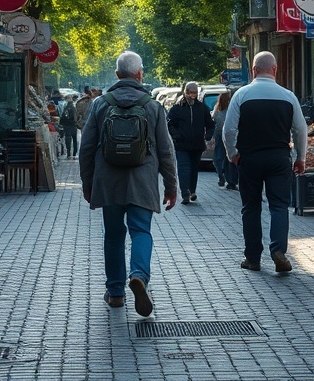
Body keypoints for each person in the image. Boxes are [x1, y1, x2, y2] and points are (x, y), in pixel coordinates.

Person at [79, 51, 177, 316]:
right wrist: (171, 186)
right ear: (140, 74)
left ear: (117, 74)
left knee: (113, 236)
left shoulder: (100, 104)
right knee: (141, 231)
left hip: (108, 181)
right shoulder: (152, 106)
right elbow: (166, 150)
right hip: (142, 181)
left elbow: (86, 148)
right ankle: (139, 276)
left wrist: (88, 183)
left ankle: (115, 293)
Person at [223, 51, 307, 274]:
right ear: (275, 69)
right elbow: (300, 130)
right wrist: (300, 157)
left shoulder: (241, 95)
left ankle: (252, 258)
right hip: (279, 158)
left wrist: (233, 154)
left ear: (253, 70)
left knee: (251, 208)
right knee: (279, 206)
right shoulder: (288, 96)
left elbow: (228, 130)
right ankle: (278, 250)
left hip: (250, 158)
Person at [166, 81, 214, 205]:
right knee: (184, 168)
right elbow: (170, 124)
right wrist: (176, 135)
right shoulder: (177, 108)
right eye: (191, 92)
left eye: (195, 93)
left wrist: (207, 136)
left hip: (197, 144)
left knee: (193, 168)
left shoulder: (202, 108)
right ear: (186, 92)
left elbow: (210, 124)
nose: (193, 95)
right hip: (182, 144)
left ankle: (192, 191)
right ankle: (185, 193)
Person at [211, 90, 237, 190]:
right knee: (229, 158)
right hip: (230, 136)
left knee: (218, 158)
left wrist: (213, 138)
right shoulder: (231, 111)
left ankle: (221, 175)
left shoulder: (217, 111)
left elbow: (215, 125)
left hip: (219, 137)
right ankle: (231, 180)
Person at [59, 94, 79, 159]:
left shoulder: (65, 106)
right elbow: (77, 116)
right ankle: (74, 153)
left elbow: (62, 116)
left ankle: (69, 153)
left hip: (67, 125)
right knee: (74, 139)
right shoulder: (74, 106)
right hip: (73, 125)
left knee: (68, 139)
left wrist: (61, 123)